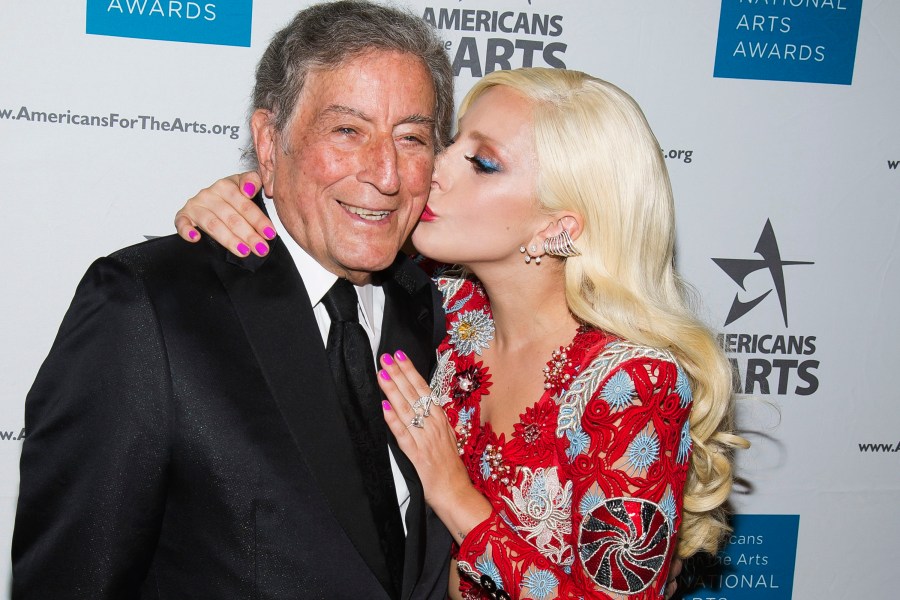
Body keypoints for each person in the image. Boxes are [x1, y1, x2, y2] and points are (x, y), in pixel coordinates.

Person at [174, 68, 748, 599]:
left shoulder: (632, 383)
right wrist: (244, 195)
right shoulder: (442, 304)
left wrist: (455, 496)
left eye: (483, 162)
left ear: (557, 226)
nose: (431, 170)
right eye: (450, 144)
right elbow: (332, 222)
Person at [12, 2, 457, 599]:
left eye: (411, 138)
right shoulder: (150, 306)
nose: (386, 173)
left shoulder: (435, 309)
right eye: (347, 131)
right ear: (269, 144)